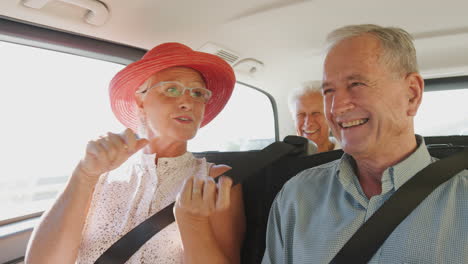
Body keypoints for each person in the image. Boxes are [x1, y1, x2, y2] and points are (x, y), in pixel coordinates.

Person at [262, 24, 468, 263]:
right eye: (328, 91)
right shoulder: (296, 197)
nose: (336, 108)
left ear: (412, 94)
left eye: (356, 84)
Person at [25, 43, 245, 264]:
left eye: (198, 93)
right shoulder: (100, 173)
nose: (189, 102)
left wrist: (194, 225)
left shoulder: (215, 180)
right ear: (140, 99)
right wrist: (83, 176)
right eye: (172, 89)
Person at [288, 81, 340, 152]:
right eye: (301, 114)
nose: (308, 123)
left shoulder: (349, 154)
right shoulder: (286, 158)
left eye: (316, 113)